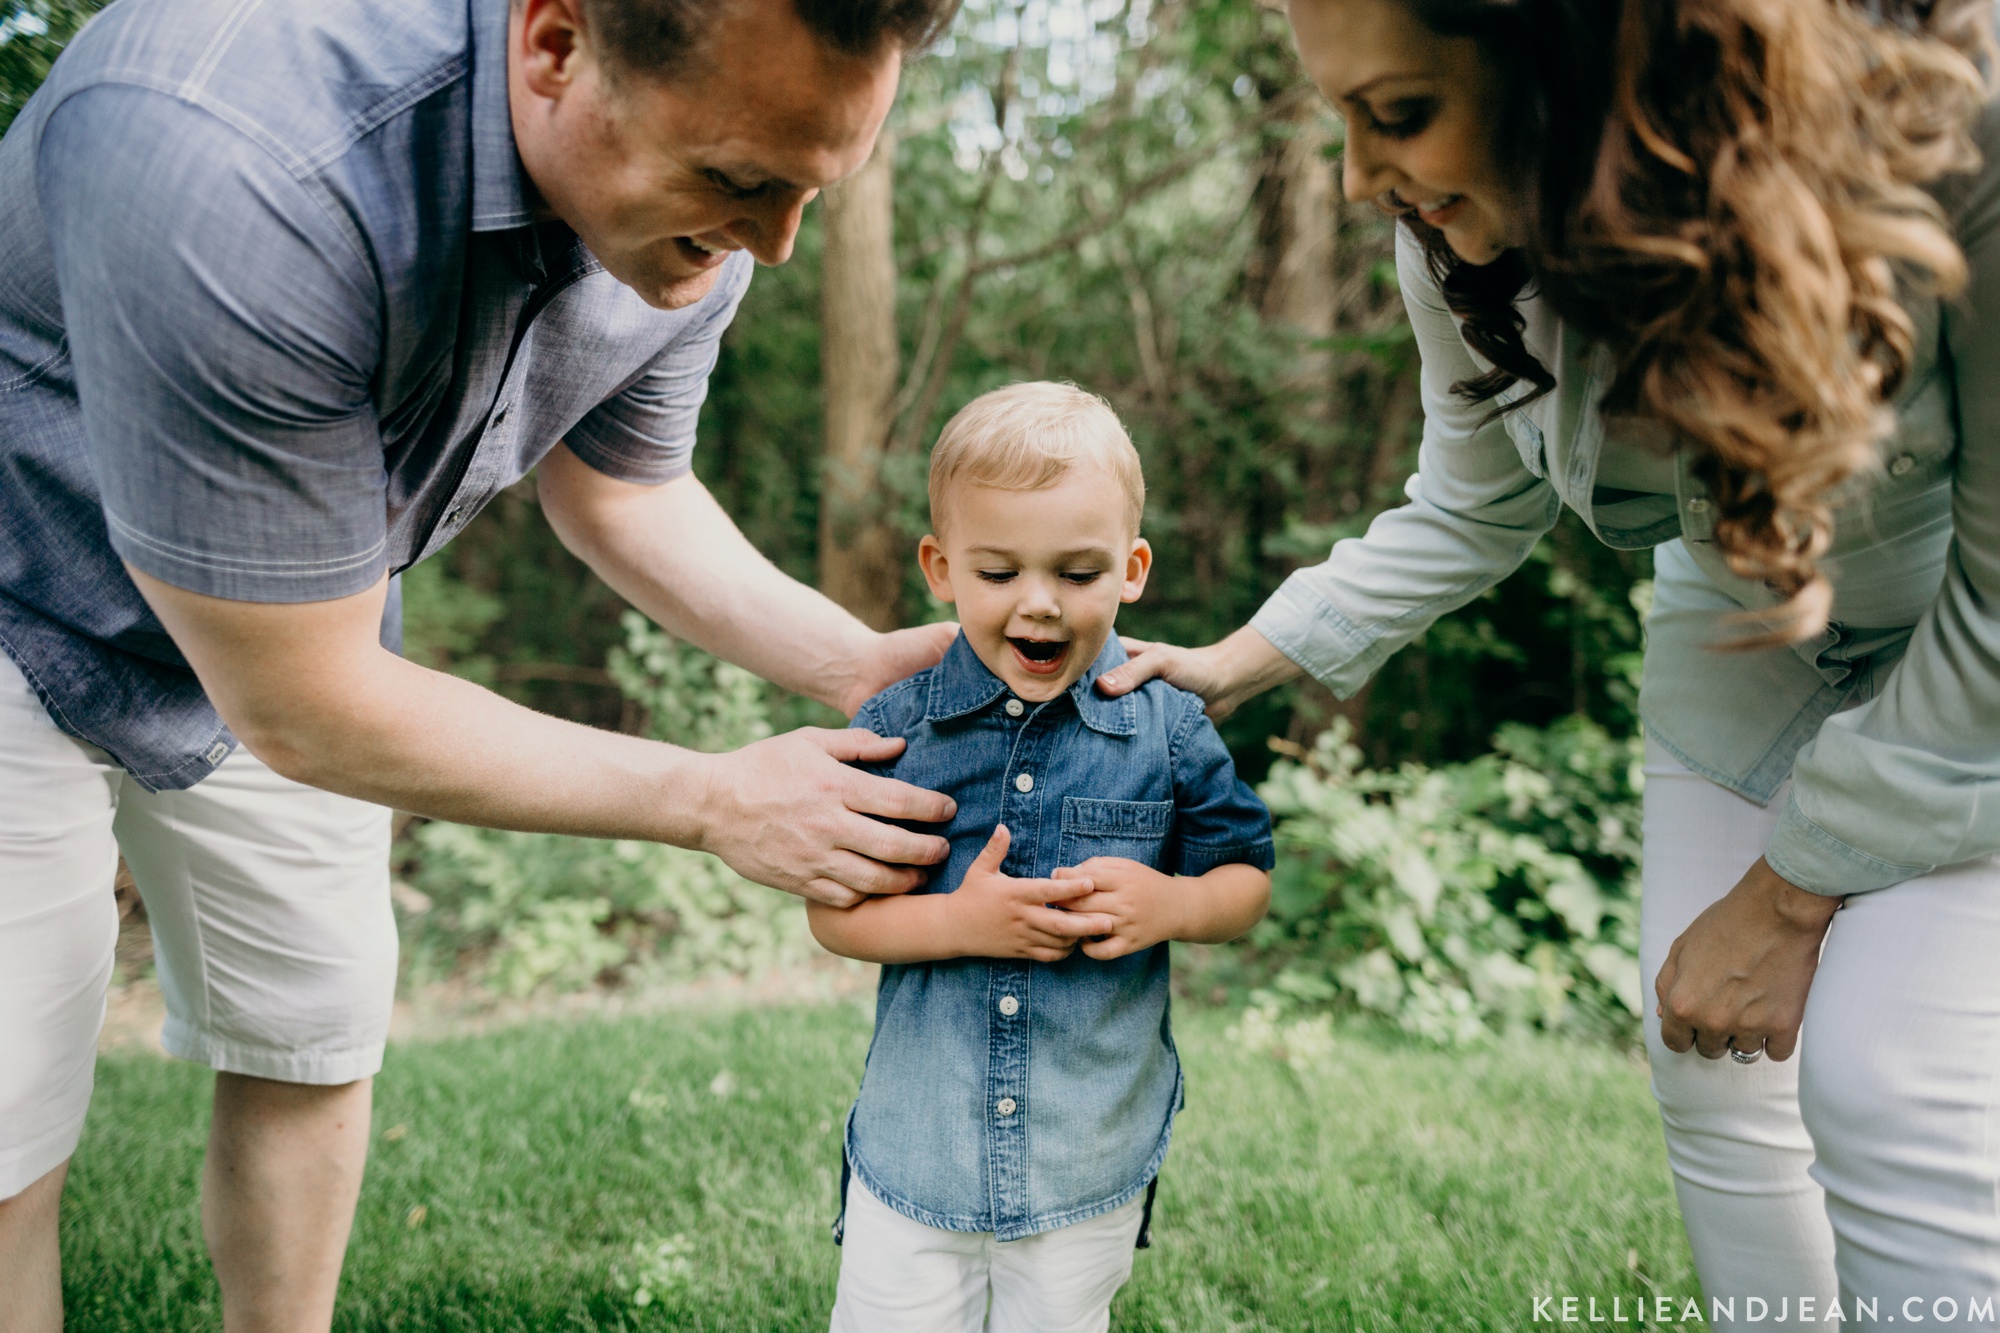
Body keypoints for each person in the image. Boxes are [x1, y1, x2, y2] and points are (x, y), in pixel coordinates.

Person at [0, 0, 970, 1326]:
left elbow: (622, 493)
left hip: (292, 596)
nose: (776, 247)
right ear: (556, 45)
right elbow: (305, 704)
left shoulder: (707, 187)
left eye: (810, 192)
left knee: (311, 1035)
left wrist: (855, 662)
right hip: (20, 578)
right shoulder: (234, 152)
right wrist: (718, 798)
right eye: (745, 186)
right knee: (9, 1127)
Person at [1097, 0, 2000, 1325]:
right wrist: (1234, 664)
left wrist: (1794, 892)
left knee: (1886, 1077)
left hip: (1965, 653)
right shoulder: (1457, 239)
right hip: (1744, 637)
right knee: (1709, 1071)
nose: (1357, 179)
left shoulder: (1956, 134)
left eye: (1397, 113)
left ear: (1575, 64)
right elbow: (1472, 501)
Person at [805, 383, 1274, 1333]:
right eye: (1000, 572)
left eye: (1077, 571)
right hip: (917, 1148)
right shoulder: (900, 727)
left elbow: (1246, 879)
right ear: (940, 566)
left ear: (1132, 568)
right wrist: (956, 921)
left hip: (1085, 1154)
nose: (1040, 604)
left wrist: (1174, 905)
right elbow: (833, 914)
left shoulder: (1169, 730)